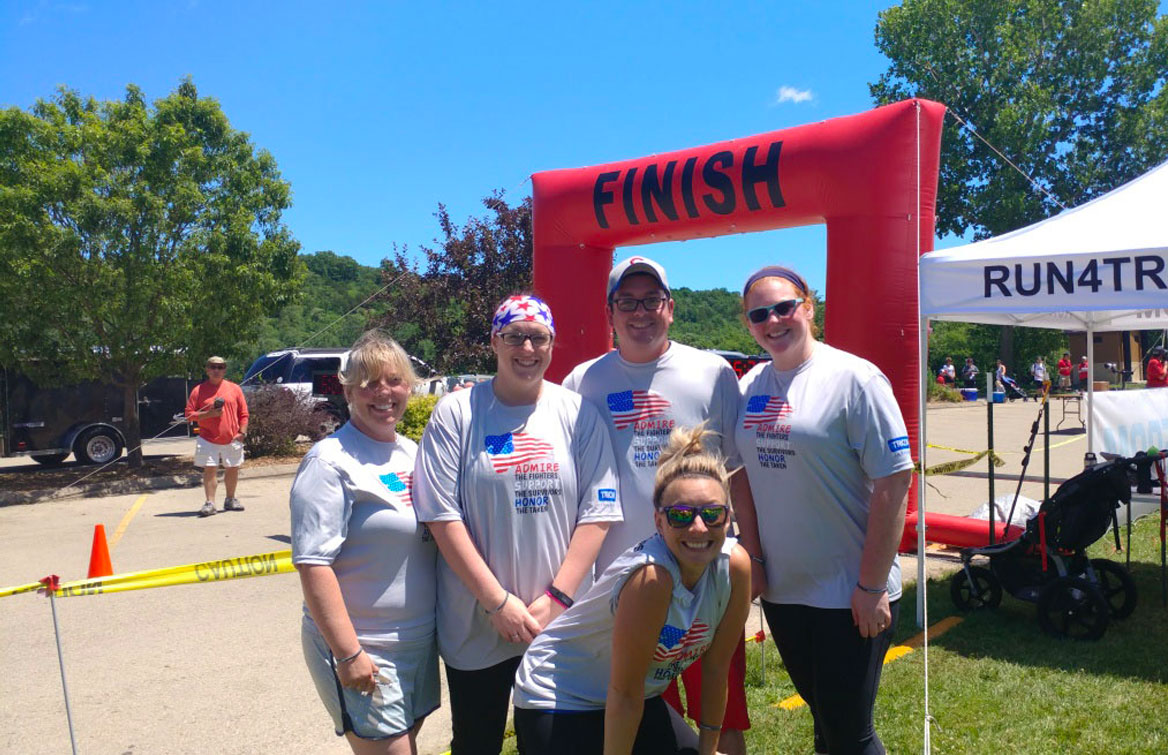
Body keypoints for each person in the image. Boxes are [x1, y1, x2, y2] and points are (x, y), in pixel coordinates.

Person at [413, 294, 623, 755]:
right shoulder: (458, 412)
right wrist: (497, 604)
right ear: (494, 340)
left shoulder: (577, 412)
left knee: (554, 743)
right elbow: (441, 515)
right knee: (476, 741)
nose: (527, 349)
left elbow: (600, 511)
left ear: (552, 344)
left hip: (558, 619)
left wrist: (557, 599)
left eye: (538, 338)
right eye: (515, 336)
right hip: (477, 621)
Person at [561, 256, 748, 753]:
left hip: (707, 569)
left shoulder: (712, 372)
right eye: (627, 302)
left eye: (651, 301)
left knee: (722, 710)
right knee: (642, 713)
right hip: (629, 583)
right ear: (610, 312)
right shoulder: (584, 382)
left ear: (671, 307)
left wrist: (754, 555)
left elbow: (737, 470)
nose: (640, 312)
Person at [730, 266, 914, 755]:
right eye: (759, 314)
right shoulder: (750, 387)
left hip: (848, 592)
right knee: (825, 718)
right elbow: (740, 475)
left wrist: (872, 585)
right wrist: (756, 558)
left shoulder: (854, 379)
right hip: (785, 590)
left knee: (849, 731)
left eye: (784, 307)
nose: (773, 321)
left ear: (808, 307)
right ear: (748, 324)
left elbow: (894, 482)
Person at [513, 425, 752, 755]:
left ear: (728, 519)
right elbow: (624, 695)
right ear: (658, 521)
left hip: (636, 694)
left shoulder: (735, 566)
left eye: (712, 514)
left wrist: (708, 750)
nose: (698, 527)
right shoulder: (652, 580)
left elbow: (715, 668)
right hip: (561, 693)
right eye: (681, 515)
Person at [290, 331, 439, 754]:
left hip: (418, 644)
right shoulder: (329, 461)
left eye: (394, 380)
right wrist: (347, 653)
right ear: (348, 388)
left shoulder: (413, 453)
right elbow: (313, 564)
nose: (384, 393)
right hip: (365, 647)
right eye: (370, 382)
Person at [184, 355, 249, 517]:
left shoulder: (235, 388)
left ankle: (230, 499)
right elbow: (189, 416)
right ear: (207, 370)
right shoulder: (198, 391)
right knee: (210, 470)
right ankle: (210, 503)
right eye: (213, 367)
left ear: (225, 370)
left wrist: (242, 432)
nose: (216, 370)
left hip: (232, 438)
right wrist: (209, 414)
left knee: (232, 469)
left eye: (220, 367)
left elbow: (244, 413)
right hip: (207, 438)